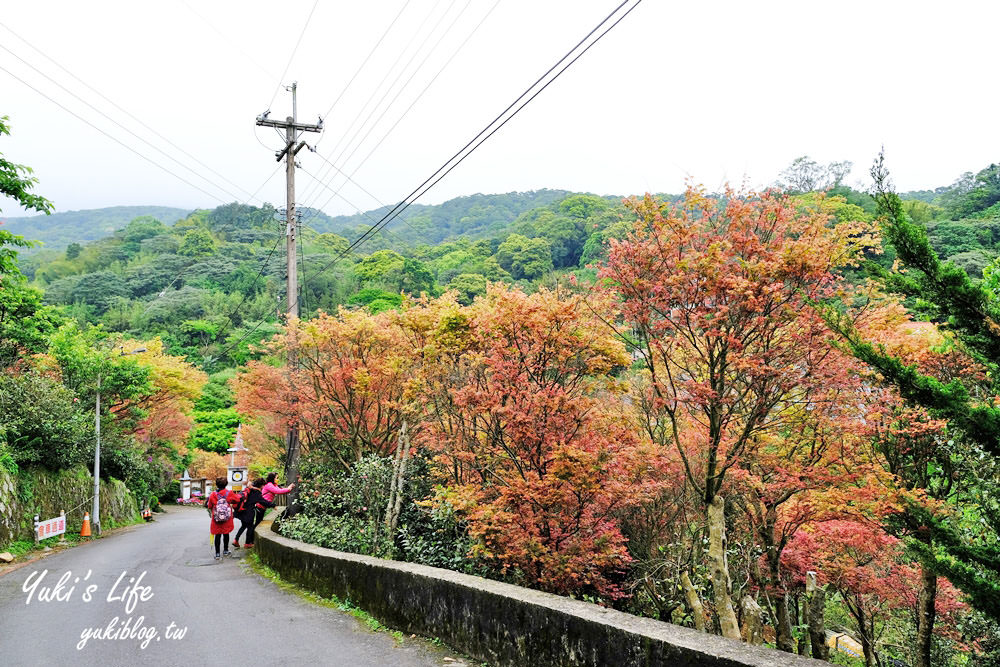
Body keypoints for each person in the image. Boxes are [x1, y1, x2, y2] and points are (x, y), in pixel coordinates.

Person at [233, 478, 273, 549]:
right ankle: (247, 543)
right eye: (263, 485)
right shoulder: (256, 492)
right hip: (248, 512)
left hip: (242, 511)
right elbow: (262, 501)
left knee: (244, 526)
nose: (264, 487)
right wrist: (273, 505)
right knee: (250, 527)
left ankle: (236, 539)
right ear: (261, 485)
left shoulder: (249, 489)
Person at [206, 477, 240, 560]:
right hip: (227, 517)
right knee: (226, 533)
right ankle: (225, 550)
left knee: (217, 534)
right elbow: (237, 500)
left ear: (216, 484)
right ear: (226, 484)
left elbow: (209, 505)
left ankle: (217, 554)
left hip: (216, 517)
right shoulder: (229, 493)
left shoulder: (213, 494)